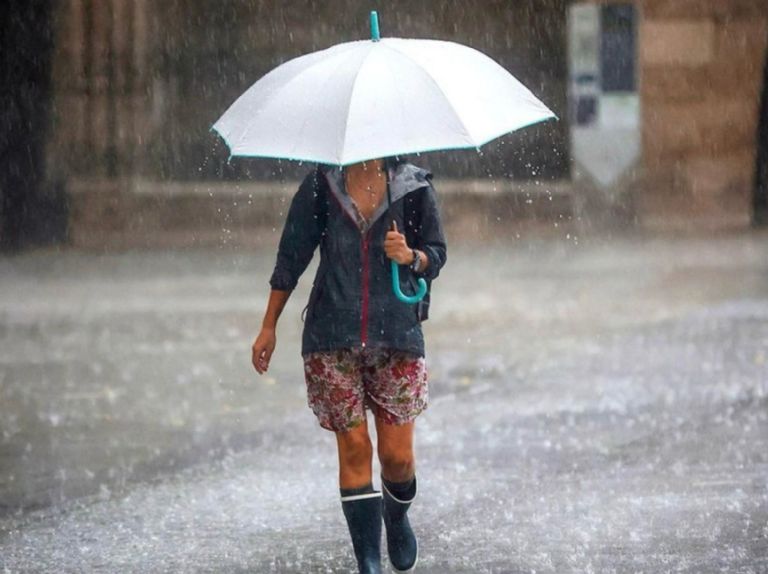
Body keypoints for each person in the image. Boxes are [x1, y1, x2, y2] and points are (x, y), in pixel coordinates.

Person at [251, 155, 447, 574]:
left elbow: (437, 253)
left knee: (397, 458)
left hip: (396, 335)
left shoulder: (412, 187)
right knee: (355, 447)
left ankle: (394, 518)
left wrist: (412, 255)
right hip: (331, 335)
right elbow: (291, 257)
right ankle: (369, 563)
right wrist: (269, 326)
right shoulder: (322, 186)